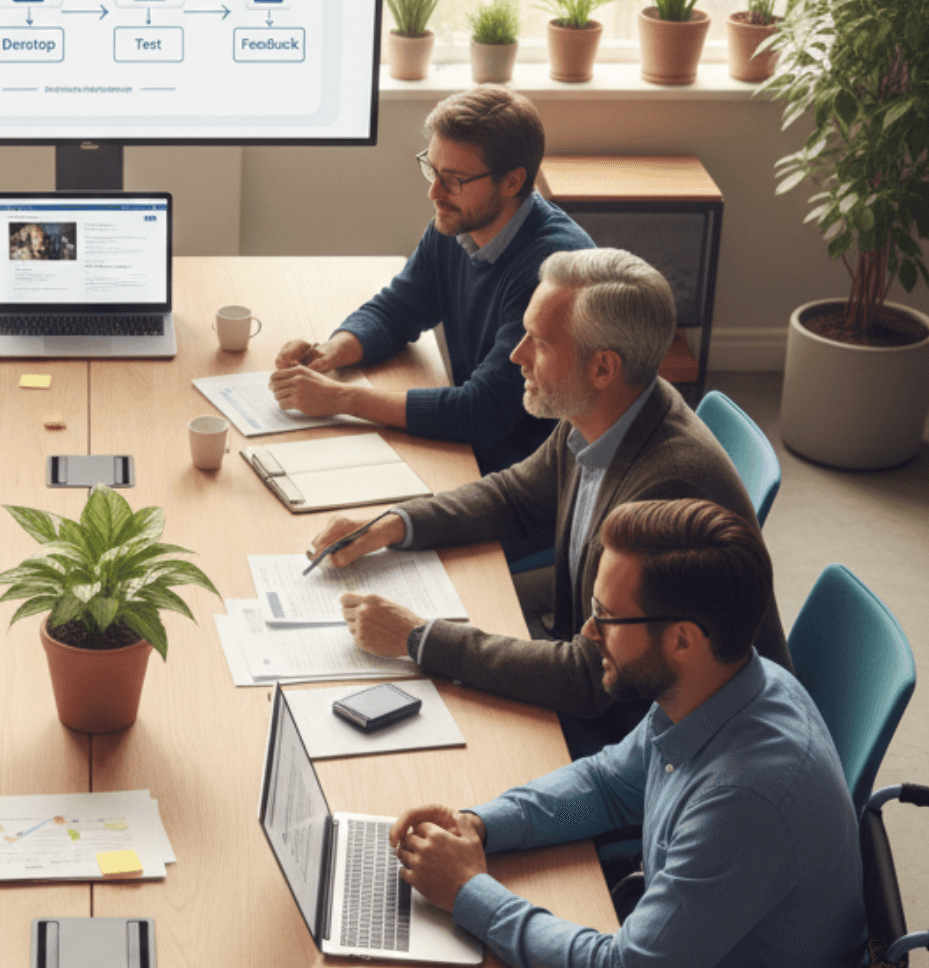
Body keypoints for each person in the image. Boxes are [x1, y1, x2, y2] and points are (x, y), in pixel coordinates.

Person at [312, 247, 791, 751]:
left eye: (539, 342)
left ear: (603, 367)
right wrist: (396, 523)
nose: (517, 354)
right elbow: (516, 495)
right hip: (599, 681)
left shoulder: (666, 492)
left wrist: (419, 639)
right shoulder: (608, 410)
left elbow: (592, 681)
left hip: (661, 752)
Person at [390, 498, 865, 968]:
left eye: (608, 616)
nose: (588, 630)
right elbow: (608, 786)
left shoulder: (744, 802)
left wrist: (469, 892)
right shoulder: (717, 685)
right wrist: (481, 824)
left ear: (682, 640)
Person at [271, 85, 594, 478]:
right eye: (433, 170)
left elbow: (483, 413)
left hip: (521, 480)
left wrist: (341, 398)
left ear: (511, 182)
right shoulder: (458, 223)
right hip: (464, 451)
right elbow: (399, 308)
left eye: (454, 179)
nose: (433, 192)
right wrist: (331, 352)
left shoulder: (551, 273)